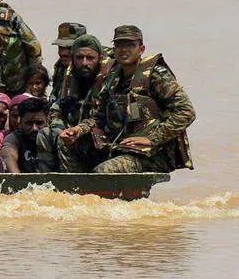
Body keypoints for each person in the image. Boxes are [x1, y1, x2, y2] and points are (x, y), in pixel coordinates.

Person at [57, 25, 195, 174]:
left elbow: (186, 112)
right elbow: (99, 117)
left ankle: (96, 187)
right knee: (65, 142)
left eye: (130, 45)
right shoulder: (112, 77)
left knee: (105, 171)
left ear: (141, 49)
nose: (124, 50)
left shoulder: (155, 75)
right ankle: (75, 187)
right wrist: (78, 130)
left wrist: (152, 139)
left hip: (151, 152)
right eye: (119, 45)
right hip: (119, 146)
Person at [37, 33, 108, 172]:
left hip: (99, 135)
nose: (84, 63)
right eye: (79, 57)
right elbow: (58, 107)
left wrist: (78, 130)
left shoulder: (109, 78)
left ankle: (73, 183)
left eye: (90, 58)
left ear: (99, 58)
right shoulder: (72, 74)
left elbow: (101, 117)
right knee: (45, 133)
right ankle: (48, 181)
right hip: (76, 131)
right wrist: (59, 128)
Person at [2, 97, 49, 173]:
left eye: (39, 123)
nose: (34, 128)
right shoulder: (15, 138)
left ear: (47, 121)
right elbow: (9, 156)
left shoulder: (53, 137)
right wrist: (17, 178)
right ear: (20, 122)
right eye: (29, 123)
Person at [49, 22, 87, 101]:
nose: (63, 53)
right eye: (60, 47)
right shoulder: (60, 66)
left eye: (70, 47)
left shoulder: (92, 69)